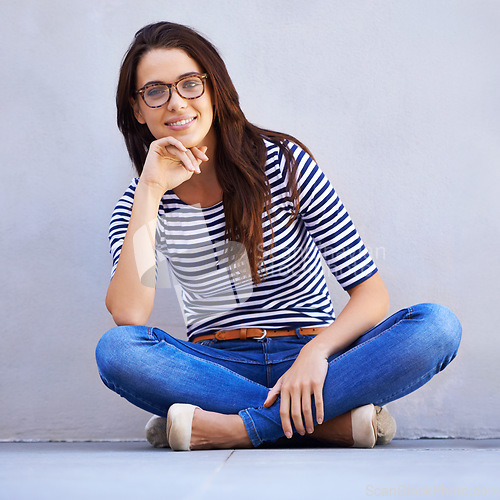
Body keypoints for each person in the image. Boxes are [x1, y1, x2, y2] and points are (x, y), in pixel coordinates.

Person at [95, 21, 462, 451]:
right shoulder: (140, 201)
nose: (176, 103)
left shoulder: (283, 164)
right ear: (138, 110)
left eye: (189, 84)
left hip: (315, 356)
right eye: (155, 91)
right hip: (219, 366)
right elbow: (129, 316)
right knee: (117, 350)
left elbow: (371, 294)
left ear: (214, 89)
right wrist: (152, 189)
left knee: (436, 326)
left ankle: (233, 428)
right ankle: (325, 425)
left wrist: (314, 354)